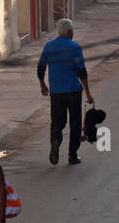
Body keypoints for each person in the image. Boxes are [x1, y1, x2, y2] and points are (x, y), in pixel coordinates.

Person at [38, 17, 95, 164]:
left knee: (57, 121)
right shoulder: (75, 47)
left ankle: (55, 140)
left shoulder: (49, 46)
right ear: (70, 32)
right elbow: (82, 72)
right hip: (73, 91)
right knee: (75, 124)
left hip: (56, 92)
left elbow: (41, 68)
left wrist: (43, 85)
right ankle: (72, 155)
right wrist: (88, 93)